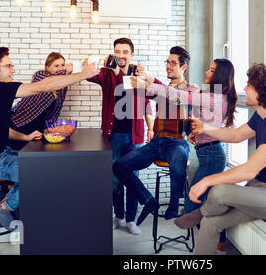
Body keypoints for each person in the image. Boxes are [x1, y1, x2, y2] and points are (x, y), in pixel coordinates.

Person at [174, 63, 266, 255]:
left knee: (217, 191)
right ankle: (204, 217)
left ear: (262, 91)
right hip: (259, 190)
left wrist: (205, 181)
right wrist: (205, 128)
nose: (244, 88)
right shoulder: (261, 117)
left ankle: (200, 211)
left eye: (249, 85)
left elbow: (248, 170)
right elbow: (235, 136)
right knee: (211, 223)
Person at [0, 47, 99, 231]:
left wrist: (25, 136)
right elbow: (43, 86)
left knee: (44, 168)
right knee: (40, 175)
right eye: (8, 66)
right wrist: (83, 74)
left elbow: (0, 129)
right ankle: (4, 208)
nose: (13, 70)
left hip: (0, 156)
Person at [132, 58, 238, 253]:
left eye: (212, 69)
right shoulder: (215, 96)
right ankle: (218, 243)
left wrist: (148, 83)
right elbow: (210, 124)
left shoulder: (213, 97)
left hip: (212, 155)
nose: (207, 71)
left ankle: (215, 241)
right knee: (204, 201)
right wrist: (197, 136)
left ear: (220, 75)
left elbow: (178, 95)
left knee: (192, 204)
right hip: (209, 152)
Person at [113, 46, 198, 226]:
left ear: (183, 67)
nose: (168, 66)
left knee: (179, 161)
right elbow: (142, 93)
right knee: (119, 166)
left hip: (177, 142)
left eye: (173, 63)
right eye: (167, 62)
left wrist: (149, 81)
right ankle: (148, 200)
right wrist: (136, 79)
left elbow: (178, 97)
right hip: (157, 142)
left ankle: (175, 202)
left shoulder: (192, 89)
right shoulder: (161, 88)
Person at [86, 38, 154, 235]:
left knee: (132, 177)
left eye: (125, 52)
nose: (121, 55)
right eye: (118, 51)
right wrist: (87, 66)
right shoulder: (107, 73)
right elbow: (91, 77)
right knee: (114, 179)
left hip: (135, 135)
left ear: (132, 54)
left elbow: (145, 103)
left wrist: (150, 127)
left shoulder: (139, 74)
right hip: (113, 135)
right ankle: (119, 215)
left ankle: (131, 219)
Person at [7, 52, 73, 150]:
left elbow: (57, 107)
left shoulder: (62, 85)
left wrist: (50, 128)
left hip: (36, 127)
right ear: (47, 67)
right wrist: (65, 71)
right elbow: (52, 81)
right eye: (56, 65)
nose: (61, 68)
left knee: (32, 156)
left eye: (63, 65)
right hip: (20, 121)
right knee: (15, 152)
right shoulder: (41, 76)